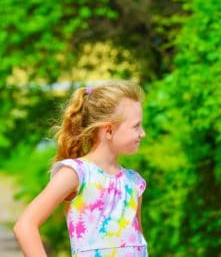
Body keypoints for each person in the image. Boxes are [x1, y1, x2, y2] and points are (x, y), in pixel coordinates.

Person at [14, 80, 148, 256]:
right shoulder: (77, 173)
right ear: (108, 130)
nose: (142, 133)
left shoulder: (134, 182)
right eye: (136, 126)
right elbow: (25, 225)